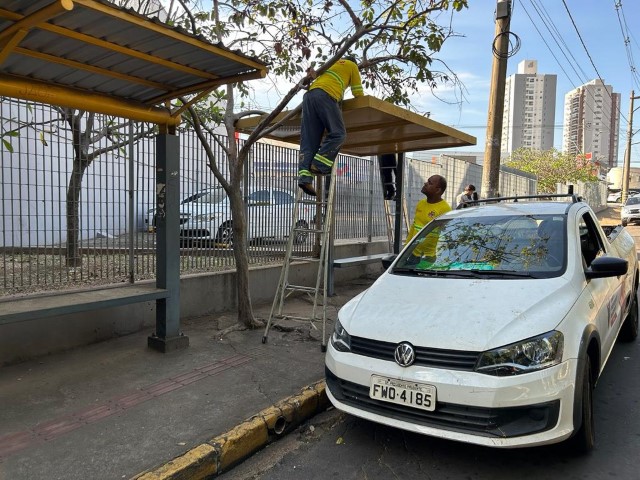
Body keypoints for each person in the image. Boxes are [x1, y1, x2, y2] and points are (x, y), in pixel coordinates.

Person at [298, 55, 364, 196]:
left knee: (309, 141)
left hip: (309, 97)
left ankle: (305, 178)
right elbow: (358, 92)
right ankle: (319, 165)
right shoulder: (352, 66)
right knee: (338, 134)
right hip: (326, 95)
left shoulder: (332, 65)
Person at [406, 175, 452, 243]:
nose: (425, 183)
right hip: (413, 252)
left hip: (431, 253)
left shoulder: (445, 209)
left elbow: (447, 235)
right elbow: (414, 226)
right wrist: (407, 245)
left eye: (430, 183)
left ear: (438, 190)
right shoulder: (421, 203)